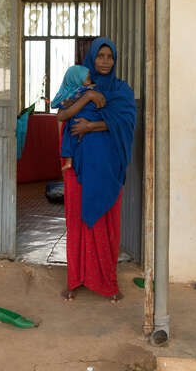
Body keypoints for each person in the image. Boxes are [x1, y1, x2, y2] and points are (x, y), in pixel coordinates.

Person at [56, 37, 136, 303]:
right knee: (77, 221)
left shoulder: (121, 90)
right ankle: (75, 278)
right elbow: (62, 114)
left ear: (114, 60)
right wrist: (89, 95)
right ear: (92, 58)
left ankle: (107, 282)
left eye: (109, 57)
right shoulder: (81, 85)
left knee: (106, 222)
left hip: (107, 166)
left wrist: (91, 127)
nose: (104, 61)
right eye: (100, 56)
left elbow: (126, 122)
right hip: (78, 166)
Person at [50, 64, 94, 171]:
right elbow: (61, 113)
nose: (89, 76)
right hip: (75, 126)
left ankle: (69, 161)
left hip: (87, 133)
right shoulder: (75, 93)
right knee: (69, 138)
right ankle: (69, 161)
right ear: (76, 78)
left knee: (70, 139)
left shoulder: (87, 90)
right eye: (85, 76)